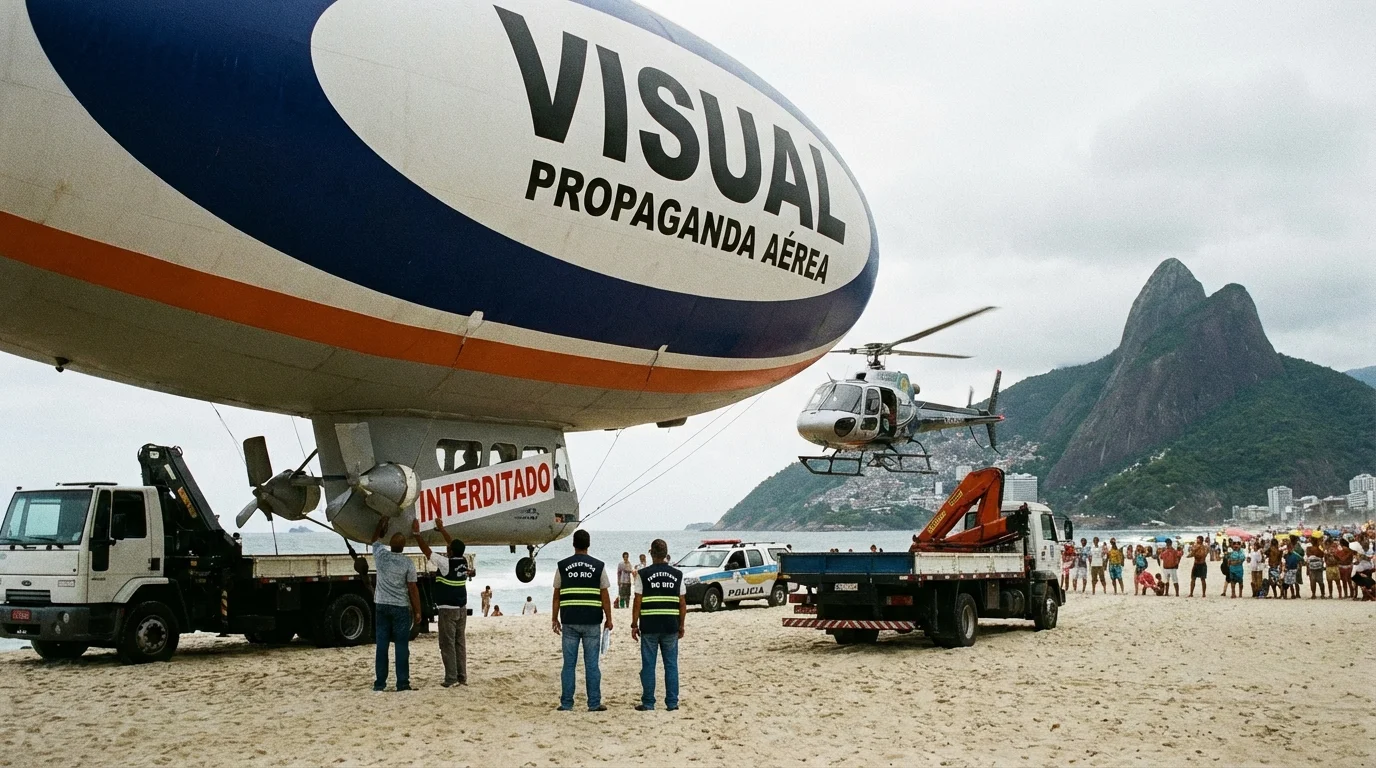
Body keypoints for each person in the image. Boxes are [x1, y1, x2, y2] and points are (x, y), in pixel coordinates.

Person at [552, 529, 613, 712]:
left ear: (573, 544)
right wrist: (609, 619)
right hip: (592, 621)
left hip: (569, 620)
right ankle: (594, 703)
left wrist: (554, 618)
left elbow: (557, 595)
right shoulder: (599, 566)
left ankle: (566, 703)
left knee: (569, 664)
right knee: (592, 664)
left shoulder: (562, 566)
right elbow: (605, 596)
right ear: (588, 544)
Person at [413, 520, 472, 688]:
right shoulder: (463, 561)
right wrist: (442, 529)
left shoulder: (446, 564)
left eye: (448, 548)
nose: (447, 548)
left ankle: (451, 678)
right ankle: (462, 676)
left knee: (447, 644)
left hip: (448, 610)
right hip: (461, 609)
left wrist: (417, 535)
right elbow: (453, 544)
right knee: (460, 643)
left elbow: (427, 552)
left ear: (451, 551)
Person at [631, 538, 687, 712]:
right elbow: (682, 603)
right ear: (665, 554)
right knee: (671, 665)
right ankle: (672, 703)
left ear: (652, 553)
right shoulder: (677, 575)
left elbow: (637, 600)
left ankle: (648, 702)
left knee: (649, 664)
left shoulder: (643, 574)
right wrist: (681, 625)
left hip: (649, 625)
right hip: (671, 624)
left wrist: (634, 623)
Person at [368, 518, 420, 692]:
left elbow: (374, 541)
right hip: (400, 607)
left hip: (381, 605)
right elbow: (412, 588)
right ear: (403, 547)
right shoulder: (407, 563)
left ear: (390, 545)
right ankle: (402, 683)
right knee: (401, 646)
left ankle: (380, 683)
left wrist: (380, 524)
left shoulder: (382, 556)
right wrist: (418, 611)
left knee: (382, 645)